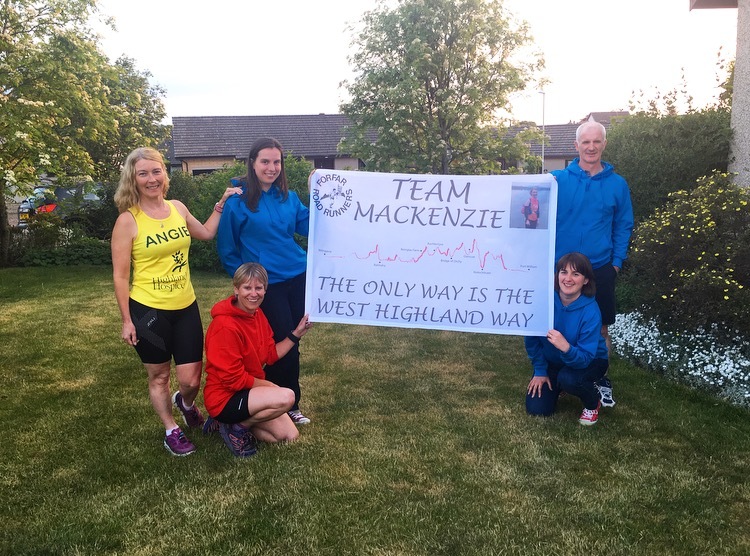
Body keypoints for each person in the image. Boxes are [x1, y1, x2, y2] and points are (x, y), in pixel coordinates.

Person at [111, 147, 242, 456]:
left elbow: (207, 233)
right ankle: (171, 429)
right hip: (148, 310)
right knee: (159, 375)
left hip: (185, 306)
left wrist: (221, 204)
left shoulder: (178, 208)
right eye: (143, 173)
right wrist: (127, 319)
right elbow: (120, 277)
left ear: (164, 175)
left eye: (156, 171)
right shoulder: (128, 221)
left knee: (191, 379)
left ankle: (184, 403)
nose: (151, 178)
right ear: (134, 179)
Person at [217, 137, 312, 425]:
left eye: (277, 162)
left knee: (294, 339)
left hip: (299, 275)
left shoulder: (289, 198)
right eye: (265, 162)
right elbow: (227, 248)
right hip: (268, 284)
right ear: (253, 163)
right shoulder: (237, 202)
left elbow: (312, 227)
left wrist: (325, 200)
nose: (272, 168)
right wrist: (249, 283)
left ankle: (287, 400)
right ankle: (283, 399)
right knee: (281, 340)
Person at [552, 119, 634, 407]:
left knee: (600, 329)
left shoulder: (617, 184)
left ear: (604, 145)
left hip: (600, 267)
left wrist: (616, 263)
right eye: (585, 142)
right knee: (557, 323)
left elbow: (624, 225)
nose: (590, 147)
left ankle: (599, 380)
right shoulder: (557, 180)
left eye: (596, 141)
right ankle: (558, 376)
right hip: (561, 267)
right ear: (576, 146)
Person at [202, 263, 312, 457]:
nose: (253, 293)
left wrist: (297, 333)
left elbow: (270, 355)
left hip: (249, 393)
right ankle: (236, 427)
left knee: (288, 435)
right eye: (247, 288)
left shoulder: (258, 315)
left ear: (265, 290)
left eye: (258, 288)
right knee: (286, 397)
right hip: (225, 397)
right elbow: (233, 380)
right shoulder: (224, 326)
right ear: (236, 289)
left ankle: (229, 425)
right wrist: (270, 387)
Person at [525, 252, 609, 426]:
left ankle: (593, 403)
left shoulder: (591, 311)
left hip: (589, 361)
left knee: (569, 379)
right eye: (563, 272)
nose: (568, 279)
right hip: (553, 363)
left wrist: (566, 347)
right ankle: (558, 385)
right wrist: (540, 371)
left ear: (585, 280)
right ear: (557, 276)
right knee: (537, 409)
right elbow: (531, 339)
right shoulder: (544, 300)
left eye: (576, 274)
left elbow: (585, 358)